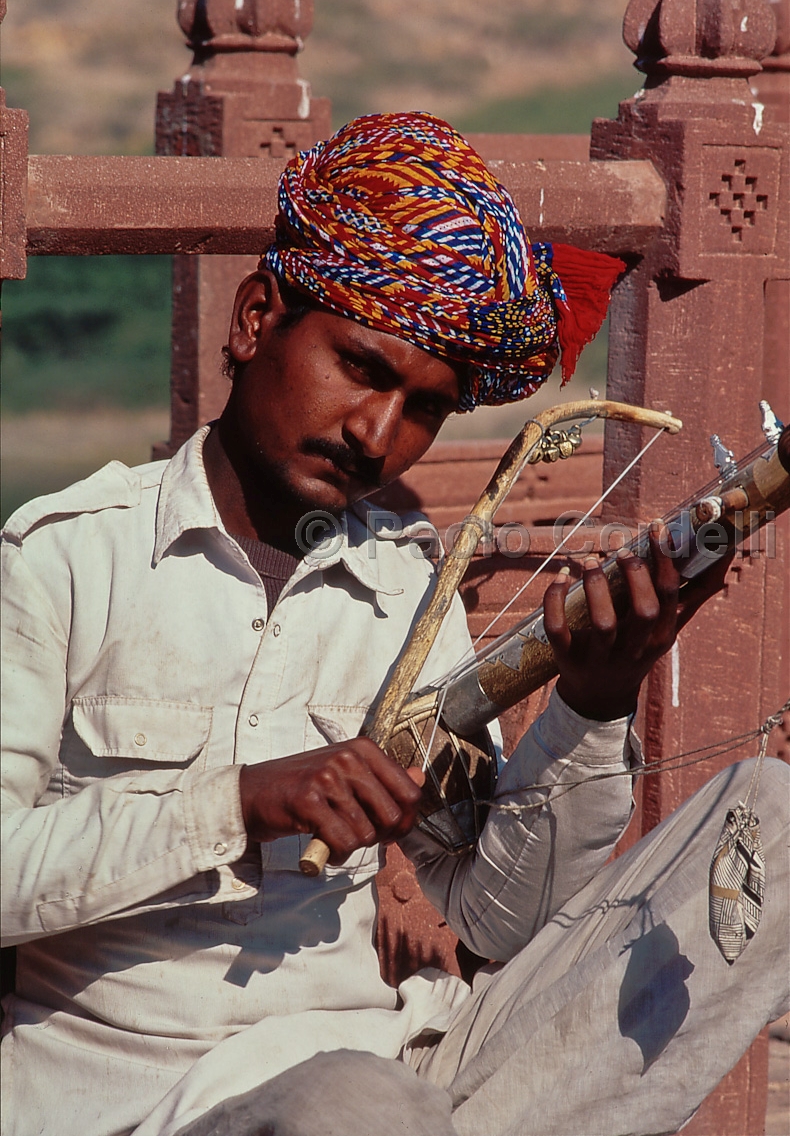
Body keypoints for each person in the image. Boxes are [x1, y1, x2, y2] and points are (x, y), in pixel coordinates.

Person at [1, 113, 787, 1136]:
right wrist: (241, 803)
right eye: (361, 369)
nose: (378, 434)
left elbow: (484, 918)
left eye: (423, 407)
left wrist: (593, 702)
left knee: (767, 816)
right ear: (254, 319)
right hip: (158, 1098)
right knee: (353, 1106)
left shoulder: (405, 586)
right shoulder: (66, 557)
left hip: (414, 1059)